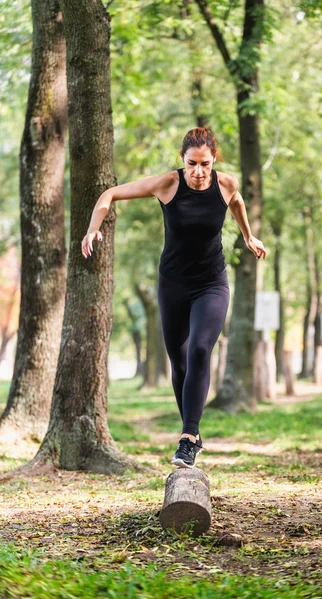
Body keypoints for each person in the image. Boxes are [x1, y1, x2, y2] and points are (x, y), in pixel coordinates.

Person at [82, 127, 267, 469]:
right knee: (179, 362)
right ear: (182, 160)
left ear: (214, 160)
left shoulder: (225, 184)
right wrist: (94, 227)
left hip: (212, 283)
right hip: (173, 286)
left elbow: (238, 203)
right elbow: (110, 194)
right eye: (192, 164)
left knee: (200, 349)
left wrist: (249, 236)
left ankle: (187, 437)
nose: (199, 172)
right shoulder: (167, 184)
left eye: (205, 164)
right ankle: (193, 436)